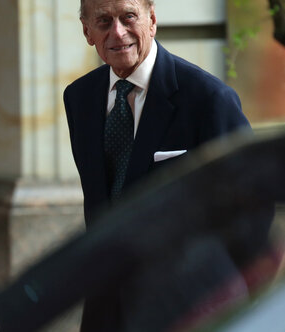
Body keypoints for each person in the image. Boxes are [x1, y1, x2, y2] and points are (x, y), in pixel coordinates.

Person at [64, 0, 272, 331]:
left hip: (190, 309)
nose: (118, 32)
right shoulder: (79, 99)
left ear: (152, 21)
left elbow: (252, 210)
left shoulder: (208, 98)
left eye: (128, 16)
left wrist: (225, 296)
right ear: (87, 32)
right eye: (103, 21)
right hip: (106, 310)